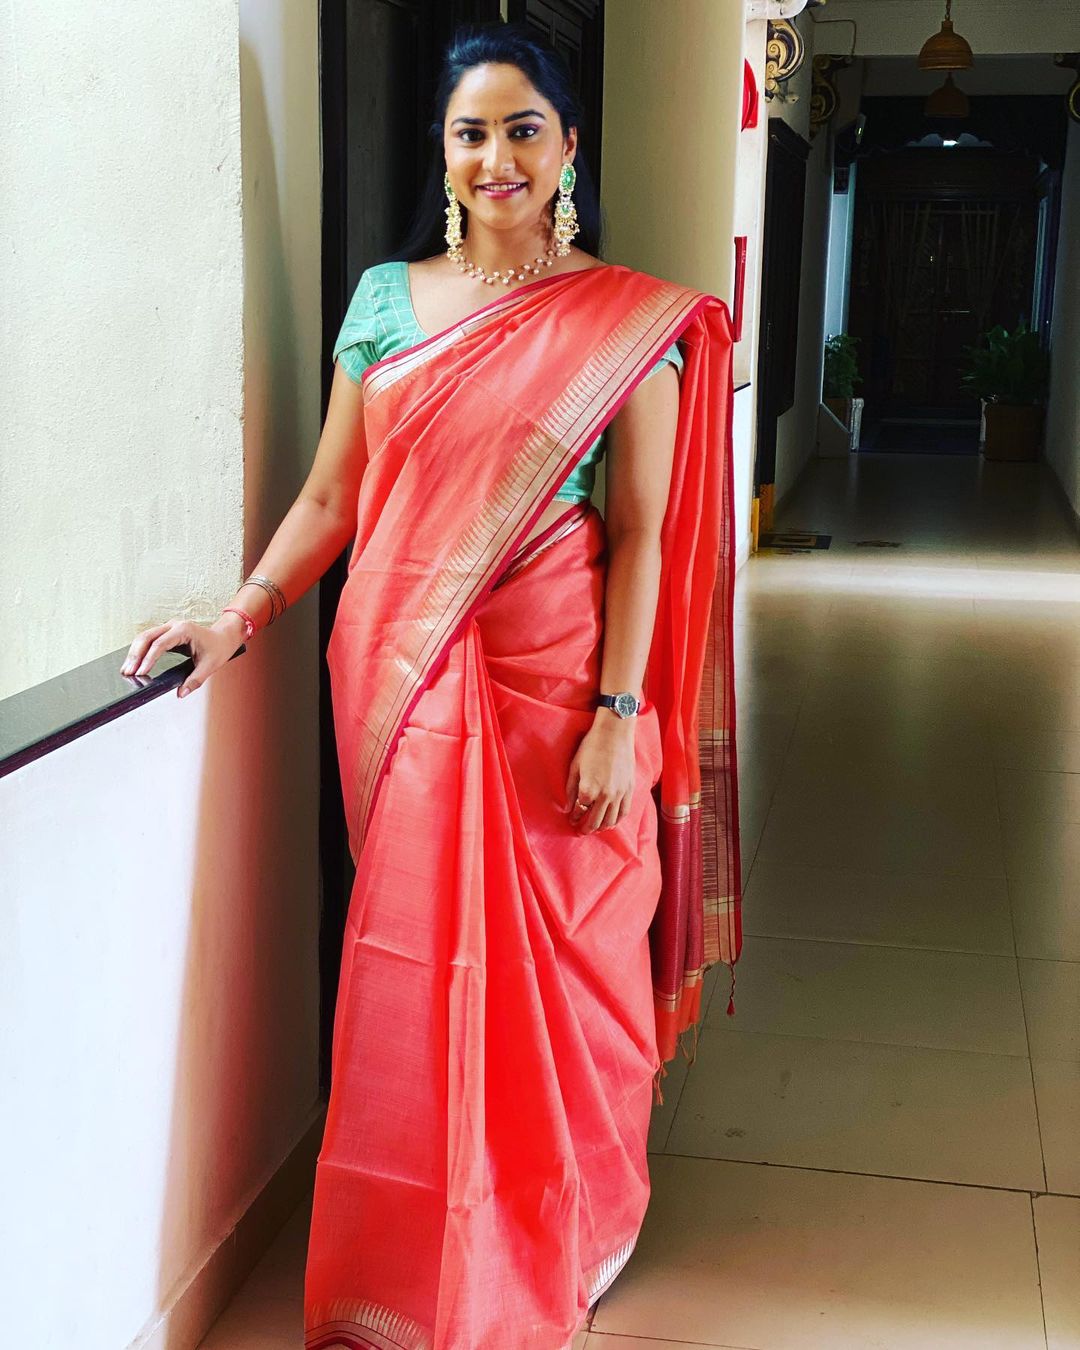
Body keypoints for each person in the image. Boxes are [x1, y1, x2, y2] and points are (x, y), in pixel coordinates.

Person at [122, 23, 741, 1350]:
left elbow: (638, 535)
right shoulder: (386, 302)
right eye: (473, 131)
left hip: (558, 698)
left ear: (571, 145)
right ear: (442, 152)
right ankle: (405, 1257)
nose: (497, 155)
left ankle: (566, 1221)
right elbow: (337, 493)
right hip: (401, 684)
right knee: (413, 970)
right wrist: (244, 611)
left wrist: (618, 718)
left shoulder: (630, 324)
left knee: (570, 967)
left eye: (525, 128)